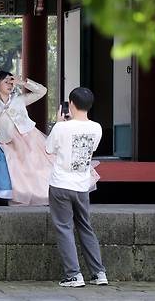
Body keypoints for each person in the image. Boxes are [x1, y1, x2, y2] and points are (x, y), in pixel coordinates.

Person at [45, 87, 108, 288]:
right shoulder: (97, 128)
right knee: (85, 227)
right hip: (82, 185)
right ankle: (99, 273)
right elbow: (93, 149)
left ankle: (73, 275)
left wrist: (58, 123)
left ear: (70, 104)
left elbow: (48, 149)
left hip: (60, 184)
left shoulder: (61, 128)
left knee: (64, 228)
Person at [0, 71, 54, 205]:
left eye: (11, 82)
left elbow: (42, 91)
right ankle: (23, 196)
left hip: (29, 137)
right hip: (7, 142)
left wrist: (23, 82)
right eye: (6, 82)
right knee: (16, 171)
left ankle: (45, 195)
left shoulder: (19, 99)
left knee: (38, 166)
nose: (10, 85)